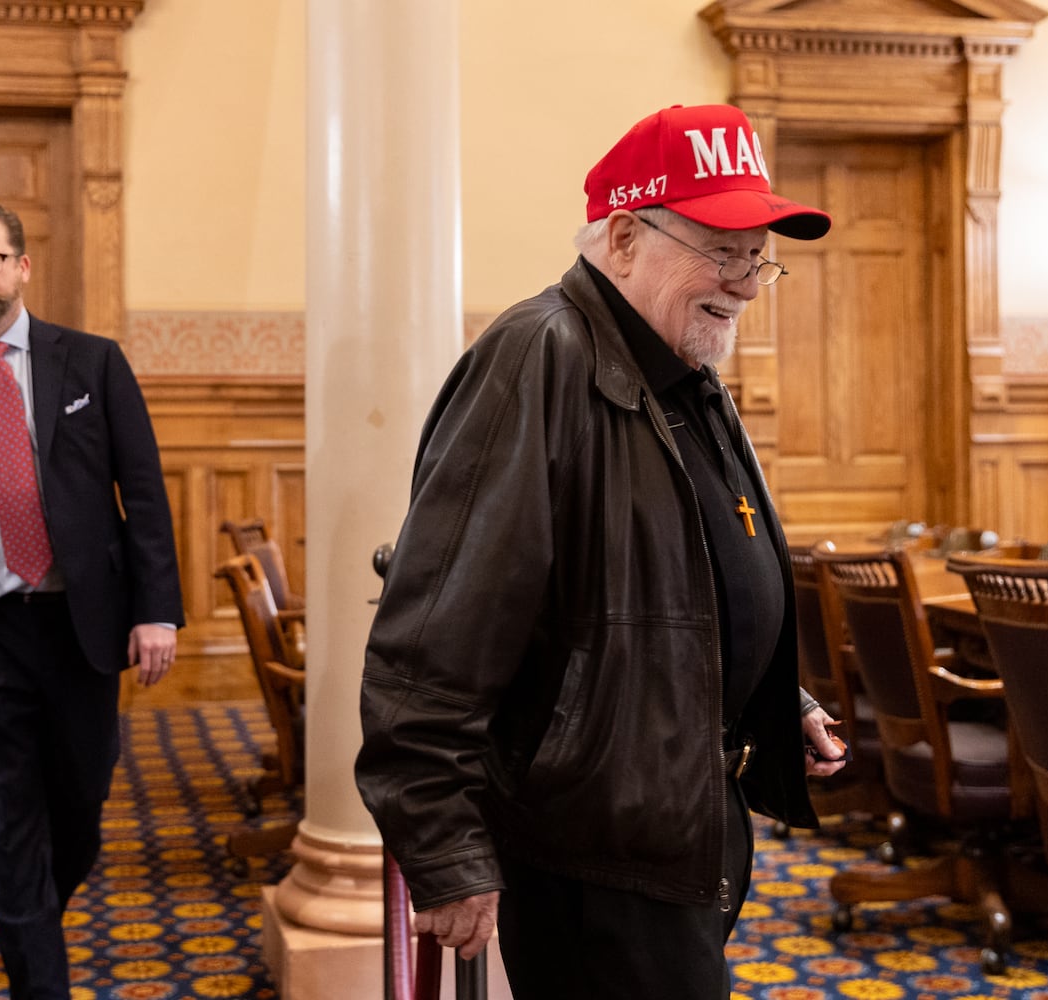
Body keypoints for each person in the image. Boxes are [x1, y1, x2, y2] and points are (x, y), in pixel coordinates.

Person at [355, 104, 849, 998]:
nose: (744, 282)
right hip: (593, 848)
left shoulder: (682, 365)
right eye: (721, 249)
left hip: (673, 818)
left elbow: (677, 578)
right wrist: (445, 847)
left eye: (756, 257)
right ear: (624, 236)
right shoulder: (537, 358)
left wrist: (780, 694)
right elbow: (432, 639)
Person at [0, 200, 185, 1000]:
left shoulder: (92, 363)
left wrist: (158, 609)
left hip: (82, 629)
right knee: (8, 829)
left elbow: (144, 494)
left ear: (21, 265)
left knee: (80, 806)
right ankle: (39, 987)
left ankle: (30, 921)